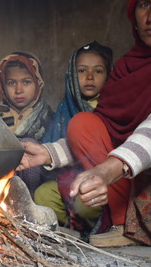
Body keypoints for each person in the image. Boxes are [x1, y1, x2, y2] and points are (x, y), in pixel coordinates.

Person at [17, 0, 151, 247]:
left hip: (137, 174)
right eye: (144, 4)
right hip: (128, 176)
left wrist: (104, 172)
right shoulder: (128, 69)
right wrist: (47, 153)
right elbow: (108, 135)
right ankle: (120, 226)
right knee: (83, 123)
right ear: (134, 17)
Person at [35, 41, 113, 236]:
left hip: (106, 178)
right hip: (69, 177)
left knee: (86, 203)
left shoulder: (113, 107)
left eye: (98, 71)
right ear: (71, 75)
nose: (89, 77)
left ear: (109, 75)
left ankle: (93, 232)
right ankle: (70, 233)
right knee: (42, 195)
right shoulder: (65, 108)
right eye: (81, 71)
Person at [0, 52, 54, 195]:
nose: (18, 90)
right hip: (1, 189)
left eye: (26, 82)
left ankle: (29, 207)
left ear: (38, 83)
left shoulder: (49, 118)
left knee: (28, 145)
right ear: (2, 86)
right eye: (11, 83)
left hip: (38, 188)